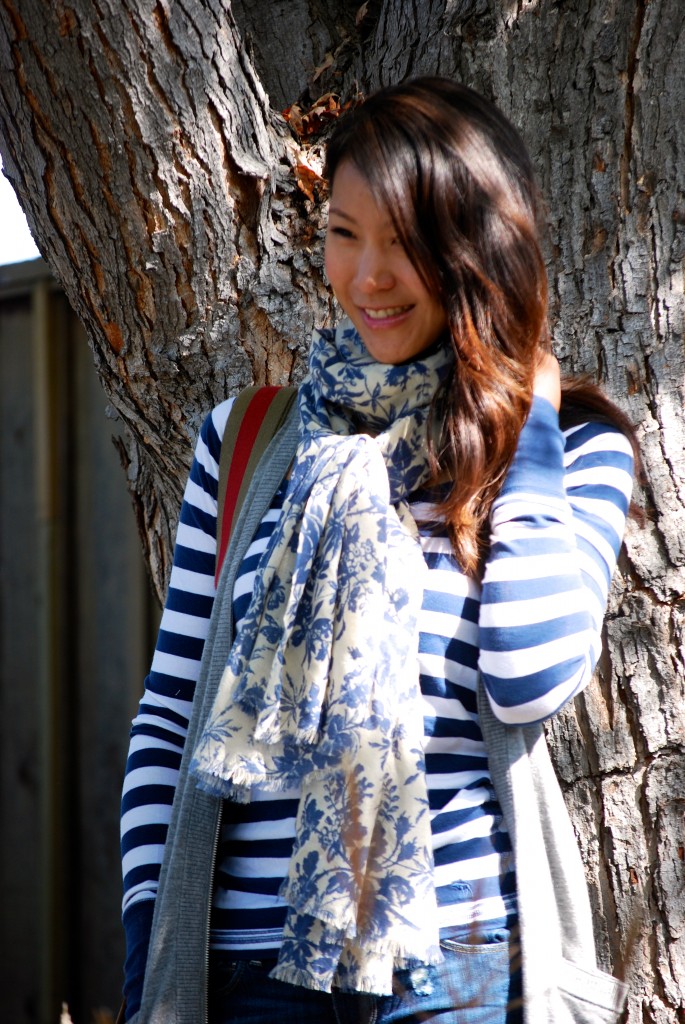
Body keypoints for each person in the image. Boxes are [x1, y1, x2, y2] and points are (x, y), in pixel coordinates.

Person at [119, 77, 636, 1024]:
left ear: (476, 250)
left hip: (461, 965)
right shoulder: (244, 443)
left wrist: (526, 418)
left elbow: (527, 672)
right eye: (343, 234)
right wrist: (149, 944)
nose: (367, 277)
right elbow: (167, 722)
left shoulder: (576, 451)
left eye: (403, 241)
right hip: (246, 970)